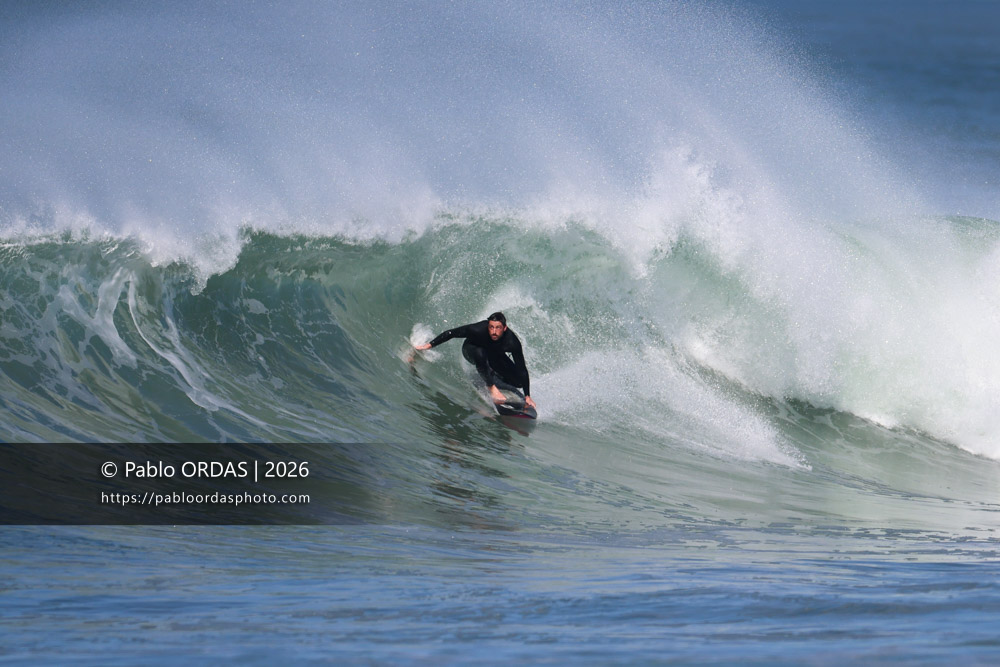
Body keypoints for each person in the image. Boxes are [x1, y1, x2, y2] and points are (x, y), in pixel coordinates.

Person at [414, 312, 536, 410]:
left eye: (497, 328)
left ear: (504, 328)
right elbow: (451, 333)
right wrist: (428, 345)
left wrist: (527, 396)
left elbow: (522, 369)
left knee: (519, 381)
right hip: (471, 350)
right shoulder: (477, 329)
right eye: (491, 327)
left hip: (493, 355)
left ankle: (494, 376)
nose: (494, 331)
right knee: (480, 353)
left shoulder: (512, 342)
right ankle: (491, 387)